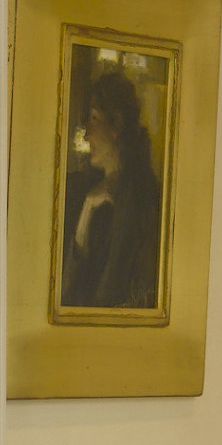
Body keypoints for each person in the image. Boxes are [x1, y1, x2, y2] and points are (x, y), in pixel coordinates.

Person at [60, 58, 164, 312]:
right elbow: (64, 295)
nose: (86, 134)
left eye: (94, 119)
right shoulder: (82, 189)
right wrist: (86, 212)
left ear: (116, 123)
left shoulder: (141, 196)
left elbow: (107, 297)